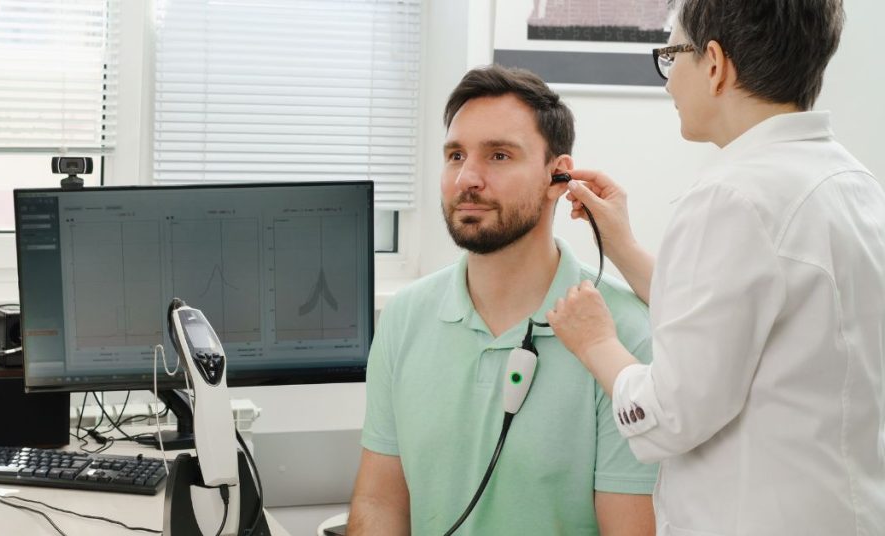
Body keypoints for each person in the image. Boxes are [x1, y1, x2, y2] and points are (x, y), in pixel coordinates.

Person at [546, 1, 885, 534]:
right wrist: (625, 246)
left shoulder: (730, 196)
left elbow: (672, 415)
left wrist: (596, 343)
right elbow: (737, 319)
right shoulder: (852, 183)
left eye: (670, 57)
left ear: (713, 64)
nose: (667, 85)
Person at [347, 65, 658, 535]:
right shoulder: (404, 317)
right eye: (455, 155)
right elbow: (379, 501)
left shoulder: (624, 335)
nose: (467, 178)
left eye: (497, 155)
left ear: (559, 177)